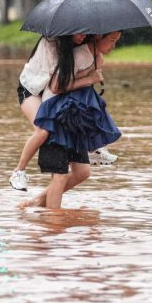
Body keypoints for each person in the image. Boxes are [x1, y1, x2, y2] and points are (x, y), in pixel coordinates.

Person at [19, 31, 122, 209]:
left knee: (82, 172)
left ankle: (39, 202)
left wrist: (93, 69)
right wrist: (90, 77)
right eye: (112, 40)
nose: (114, 46)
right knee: (46, 139)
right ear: (98, 37)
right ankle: (52, 221)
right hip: (51, 109)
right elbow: (57, 86)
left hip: (67, 113)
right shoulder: (65, 49)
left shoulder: (84, 53)